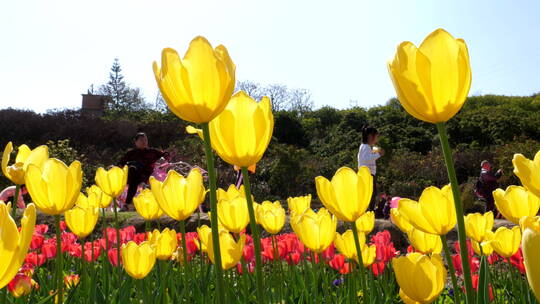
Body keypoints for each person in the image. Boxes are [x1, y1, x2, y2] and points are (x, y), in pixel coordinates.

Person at [119, 132, 168, 208]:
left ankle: (127, 203)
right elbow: (121, 164)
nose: (144, 142)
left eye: (145, 140)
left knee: (134, 178)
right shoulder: (131, 153)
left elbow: (165, 155)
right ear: (136, 142)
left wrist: (163, 158)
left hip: (147, 174)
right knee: (133, 169)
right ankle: (141, 183)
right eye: (141, 140)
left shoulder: (152, 151)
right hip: (134, 175)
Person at [357, 125, 384, 211]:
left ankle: (368, 210)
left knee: (370, 194)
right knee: (371, 194)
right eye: (376, 137)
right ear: (370, 136)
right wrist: (379, 154)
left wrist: (376, 151)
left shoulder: (365, 146)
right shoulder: (365, 147)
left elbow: (369, 155)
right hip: (368, 174)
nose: (376, 139)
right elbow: (366, 159)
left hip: (367, 174)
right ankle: (369, 211)